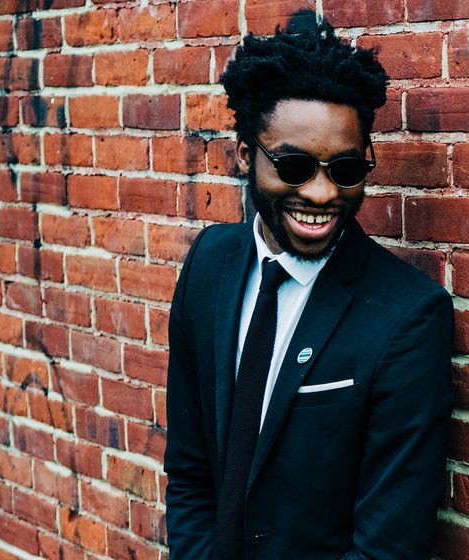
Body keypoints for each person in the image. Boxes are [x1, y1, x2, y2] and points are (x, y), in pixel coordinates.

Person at [163, 11, 453, 559]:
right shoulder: (208, 264)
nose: (322, 194)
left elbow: (386, 549)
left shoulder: (407, 317)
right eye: (294, 166)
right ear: (246, 156)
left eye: (345, 170)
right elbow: (190, 471)